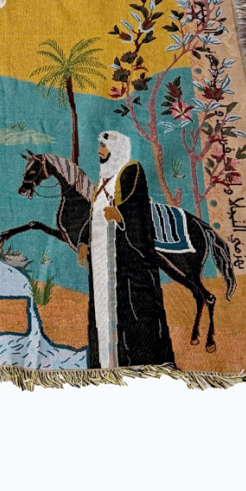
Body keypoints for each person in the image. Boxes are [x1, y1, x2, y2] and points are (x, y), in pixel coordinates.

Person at [89, 130, 174, 368]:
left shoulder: (130, 171)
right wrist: (84, 243)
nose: (99, 151)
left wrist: (121, 215)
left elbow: (138, 208)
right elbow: (94, 217)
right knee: (100, 309)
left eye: (104, 147)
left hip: (126, 259)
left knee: (133, 310)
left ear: (115, 149)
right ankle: (103, 363)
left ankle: (140, 362)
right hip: (101, 258)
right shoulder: (101, 182)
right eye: (100, 146)